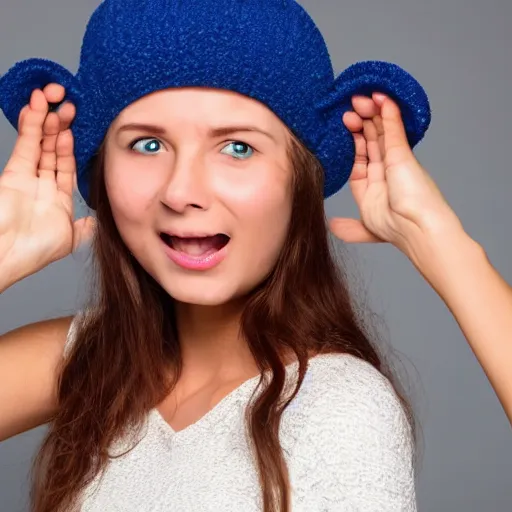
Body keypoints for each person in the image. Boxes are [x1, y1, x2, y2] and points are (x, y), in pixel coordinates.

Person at [0, 1, 508, 512]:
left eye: (237, 147)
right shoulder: (92, 358)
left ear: (299, 179)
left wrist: (444, 245)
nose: (182, 192)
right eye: (148, 144)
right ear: (100, 171)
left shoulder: (338, 410)